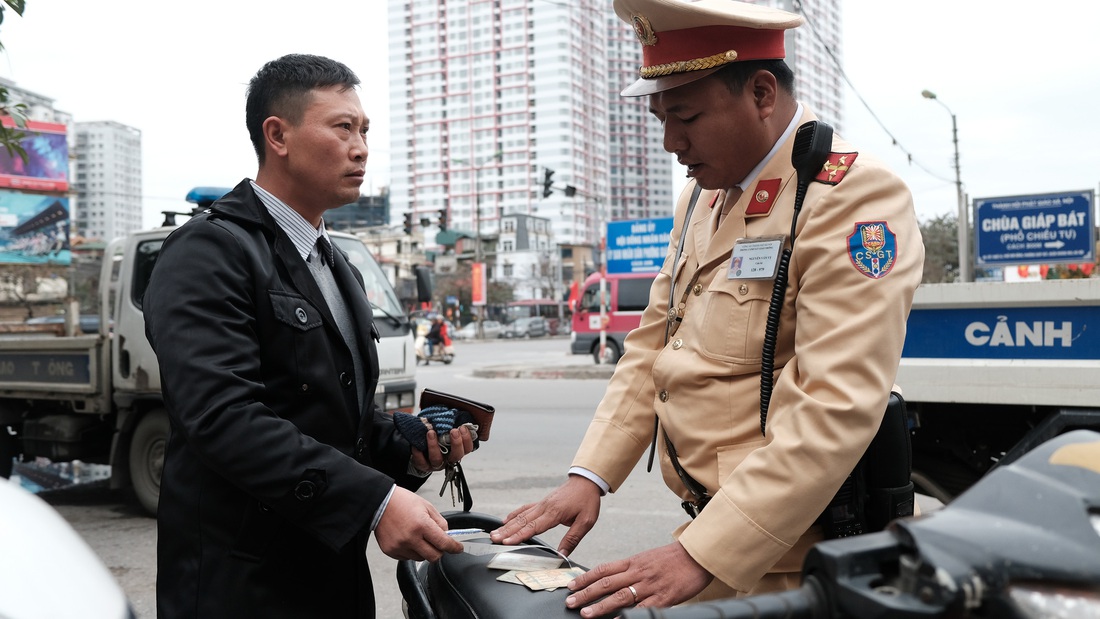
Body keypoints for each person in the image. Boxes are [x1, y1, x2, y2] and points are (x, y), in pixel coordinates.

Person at [490, 0, 924, 616]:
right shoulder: (703, 196)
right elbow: (653, 346)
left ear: (763, 93)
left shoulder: (849, 196)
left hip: (793, 554)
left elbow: (836, 403)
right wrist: (590, 476)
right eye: (659, 117)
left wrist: (701, 553)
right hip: (714, 533)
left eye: (686, 116)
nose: (671, 142)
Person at [143, 54, 474, 619]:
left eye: (365, 130)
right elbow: (224, 417)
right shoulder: (209, 251)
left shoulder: (335, 261)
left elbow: (336, 416)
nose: (362, 147)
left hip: (329, 573)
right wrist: (374, 500)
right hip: (244, 585)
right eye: (343, 127)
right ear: (279, 135)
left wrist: (410, 448)